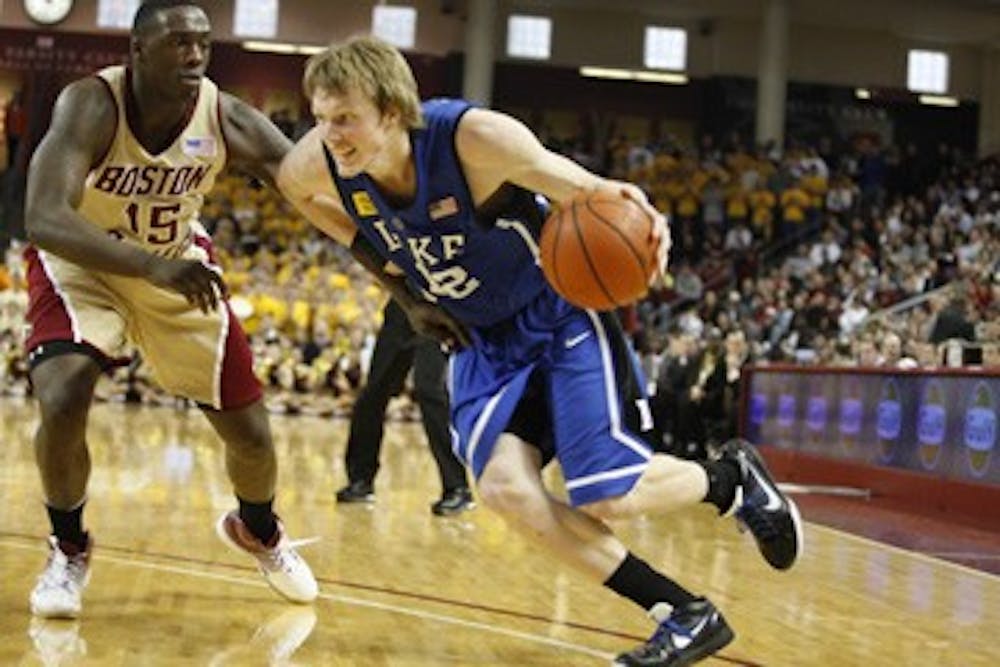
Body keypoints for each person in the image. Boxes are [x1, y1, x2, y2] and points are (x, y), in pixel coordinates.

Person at [279, 36, 802, 666]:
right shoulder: (321, 163)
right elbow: (294, 190)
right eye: (320, 119)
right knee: (506, 489)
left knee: (607, 494)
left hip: (556, 313)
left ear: (391, 111)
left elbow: (594, 192)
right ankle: (685, 614)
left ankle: (730, 480)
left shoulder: (473, 140)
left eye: (344, 119)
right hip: (479, 339)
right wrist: (399, 285)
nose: (329, 134)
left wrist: (646, 221)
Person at [22, 0, 318, 618]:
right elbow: (43, 217)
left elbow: (312, 187)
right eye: (178, 43)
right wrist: (152, 267)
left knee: (253, 437)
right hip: (84, 264)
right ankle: (68, 547)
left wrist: (401, 282)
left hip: (175, 262)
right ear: (137, 51)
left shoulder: (226, 116)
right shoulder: (91, 103)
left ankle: (258, 528)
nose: (194, 55)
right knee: (62, 394)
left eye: (203, 44)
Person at [335, 298, 474, 515]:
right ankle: (361, 481)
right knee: (374, 392)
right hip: (403, 305)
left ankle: (457, 487)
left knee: (429, 390)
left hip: (439, 308)